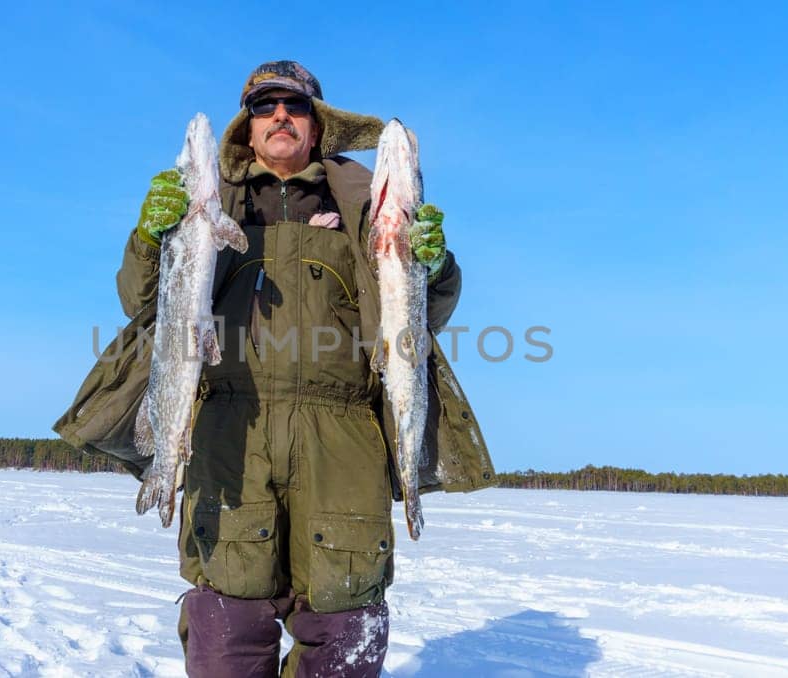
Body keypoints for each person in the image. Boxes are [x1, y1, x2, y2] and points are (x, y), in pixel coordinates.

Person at [56, 60, 495, 678]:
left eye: (294, 106)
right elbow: (143, 303)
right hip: (231, 434)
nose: (280, 116)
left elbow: (421, 316)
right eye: (265, 107)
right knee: (228, 622)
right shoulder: (209, 202)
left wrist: (434, 264)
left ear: (316, 126)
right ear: (250, 127)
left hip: (343, 436)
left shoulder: (365, 206)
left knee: (344, 622)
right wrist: (151, 238)